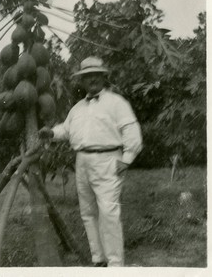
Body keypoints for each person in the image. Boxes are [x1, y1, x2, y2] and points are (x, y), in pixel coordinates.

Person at [38, 56, 143, 267]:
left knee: (108, 212)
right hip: (82, 162)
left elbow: (132, 132)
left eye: (96, 75)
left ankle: (115, 264)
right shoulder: (77, 108)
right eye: (87, 76)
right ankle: (99, 258)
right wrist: (51, 132)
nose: (92, 79)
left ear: (104, 77)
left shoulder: (116, 103)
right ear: (82, 81)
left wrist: (127, 158)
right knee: (87, 212)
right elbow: (66, 130)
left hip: (108, 160)